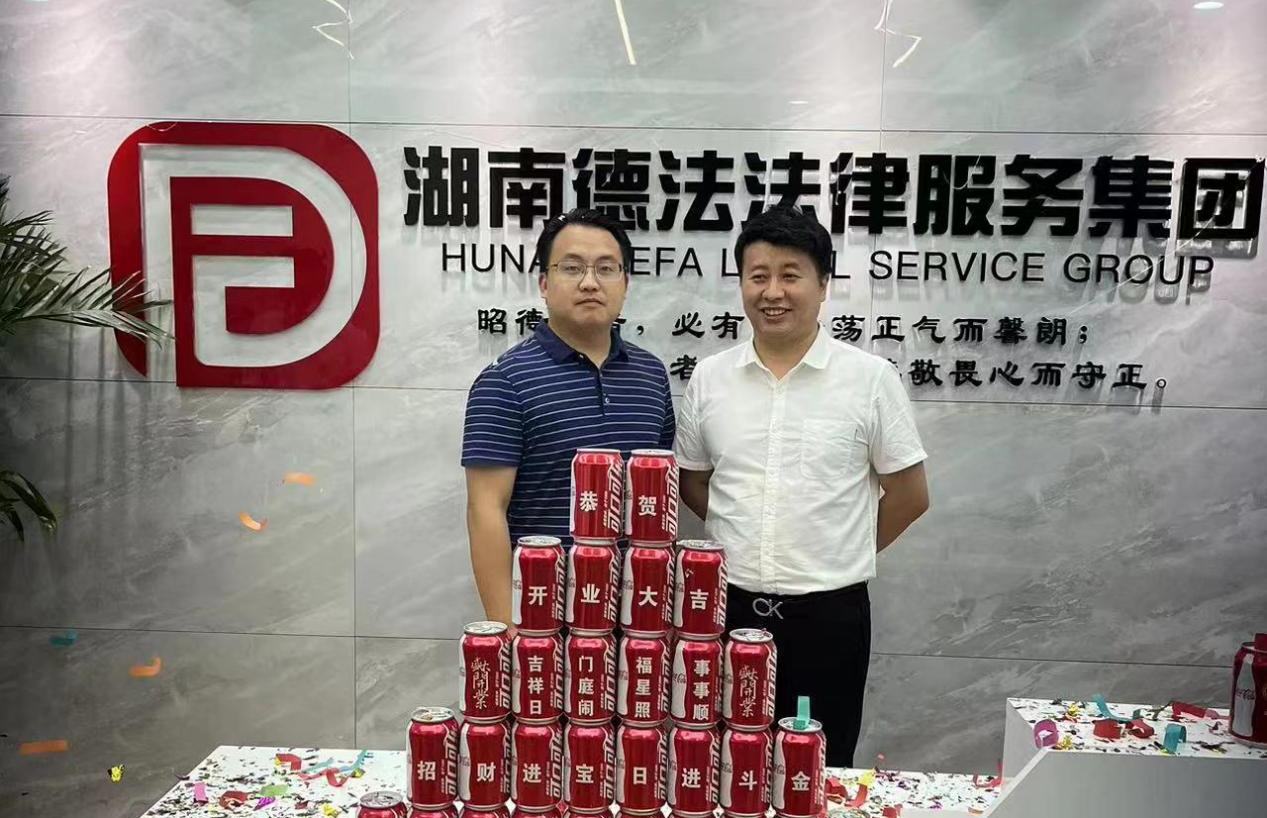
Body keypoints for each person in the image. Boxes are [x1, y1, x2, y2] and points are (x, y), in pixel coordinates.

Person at [674, 205, 929, 766]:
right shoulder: (711, 378)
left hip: (829, 621)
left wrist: (839, 549)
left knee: (817, 770)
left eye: (790, 275)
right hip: (727, 613)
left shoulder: (869, 379)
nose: (773, 292)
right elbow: (693, 481)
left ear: (822, 284)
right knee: (723, 767)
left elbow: (911, 495)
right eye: (758, 276)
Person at [462, 208, 676, 628]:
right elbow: (485, 509)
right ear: (544, 283)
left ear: (626, 283)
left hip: (638, 621)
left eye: (606, 269)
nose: (590, 282)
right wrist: (508, 628)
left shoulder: (651, 376)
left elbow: (657, 494)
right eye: (572, 267)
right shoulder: (504, 380)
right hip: (543, 620)